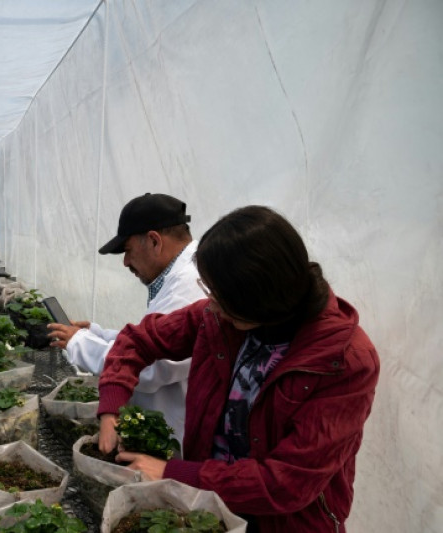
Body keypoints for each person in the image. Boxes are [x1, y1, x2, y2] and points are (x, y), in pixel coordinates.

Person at [97, 206, 379, 532]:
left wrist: (172, 472)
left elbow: (286, 482)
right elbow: (137, 340)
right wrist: (111, 409)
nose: (210, 304)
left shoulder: (344, 362)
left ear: (259, 298)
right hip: (208, 510)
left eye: (218, 295)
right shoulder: (219, 318)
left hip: (284, 524)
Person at [47, 193, 203, 444]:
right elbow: (152, 339)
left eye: (128, 250)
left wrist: (81, 344)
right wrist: (98, 334)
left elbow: (152, 367)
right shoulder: (180, 276)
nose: (126, 262)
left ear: (154, 241)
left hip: (173, 440)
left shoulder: (187, 286)